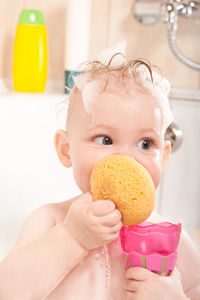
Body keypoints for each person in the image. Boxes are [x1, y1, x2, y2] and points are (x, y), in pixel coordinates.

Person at [0, 42, 200, 300]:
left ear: (164, 157)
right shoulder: (51, 221)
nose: (127, 159)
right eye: (105, 139)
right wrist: (71, 239)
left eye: (145, 144)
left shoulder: (170, 238)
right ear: (66, 150)